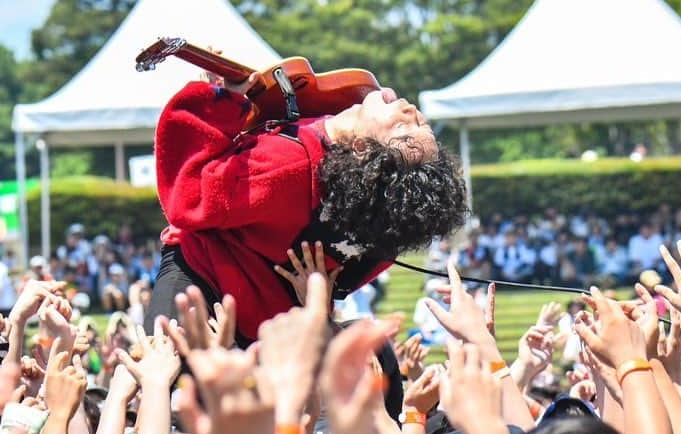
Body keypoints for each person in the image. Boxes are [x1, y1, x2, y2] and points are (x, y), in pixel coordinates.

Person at [147, 77, 467, 341]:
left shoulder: (289, 164)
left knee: (151, 395)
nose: (412, 111)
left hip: (200, 281)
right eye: (421, 121)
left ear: (361, 149)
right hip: (269, 326)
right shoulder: (383, 219)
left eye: (404, 129)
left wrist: (219, 99)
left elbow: (188, 195)